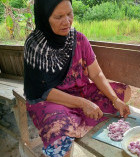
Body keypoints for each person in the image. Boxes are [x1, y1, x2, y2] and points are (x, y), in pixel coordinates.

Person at [23, 0, 131, 156]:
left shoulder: (78, 39)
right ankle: (71, 125)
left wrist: (115, 99)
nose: (67, 21)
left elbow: (96, 74)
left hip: (81, 92)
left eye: (69, 14)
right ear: (44, 18)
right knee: (58, 131)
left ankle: (78, 120)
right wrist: (82, 103)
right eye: (59, 16)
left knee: (123, 92)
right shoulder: (35, 46)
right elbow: (42, 91)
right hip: (52, 100)